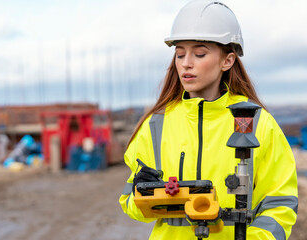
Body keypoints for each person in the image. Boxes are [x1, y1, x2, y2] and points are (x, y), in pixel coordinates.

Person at [119, 0, 298, 239]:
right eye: (180, 54)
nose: (186, 63)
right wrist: (142, 192)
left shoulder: (257, 123)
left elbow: (280, 204)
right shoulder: (156, 124)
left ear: (228, 61)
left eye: (200, 53)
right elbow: (131, 206)